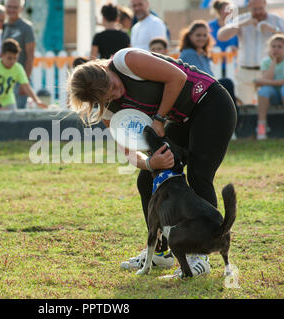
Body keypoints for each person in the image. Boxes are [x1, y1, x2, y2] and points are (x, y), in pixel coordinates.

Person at [67, 48, 237, 276]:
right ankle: (159, 252)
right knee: (146, 182)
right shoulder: (108, 110)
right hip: (183, 118)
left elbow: (178, 77)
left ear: (103, 69)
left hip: (210, 103)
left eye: (113, 87)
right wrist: (150, 164)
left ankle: (201, 257)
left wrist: (159, 118)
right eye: (107, 97)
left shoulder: (126, 60)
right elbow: (128, 152)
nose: (116, 95)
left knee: (199, 175)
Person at [217, 0, 284, 105]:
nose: (258, 12)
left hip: (268, 72)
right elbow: (221, 36)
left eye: (260, 8)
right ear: (249, 6)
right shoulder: (242, 19)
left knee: (268, 106)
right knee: (244, 106)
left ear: (265, 5)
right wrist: (244, 24)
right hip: (246, 72)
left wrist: (274, 30)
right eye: (254, 9)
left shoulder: (276, 20)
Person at [179, 20, 238, 137]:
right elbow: (202, 77)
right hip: (196, 92)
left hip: (206, 89)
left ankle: (230, 125)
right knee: (227, 84)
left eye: (205, 35)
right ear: (190, 36)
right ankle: (231, 125)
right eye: (198, 35)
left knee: (226, 85)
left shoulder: (202, 54)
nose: (202, 38)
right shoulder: (188, 53)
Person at [0, 39, 47, 110]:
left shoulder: (18, 68)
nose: (12, 61)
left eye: (15, 58)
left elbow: (26, 86)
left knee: (14, 119)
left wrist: (37, 101)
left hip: (7, 100)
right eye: (9, 58)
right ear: (2, 55)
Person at [254, 34, 284, 140]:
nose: (276, 49)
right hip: (273, 95)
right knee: (264, 91)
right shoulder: (266, 62)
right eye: (273, 46)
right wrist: (273, 62)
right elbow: (267, 80)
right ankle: (261, 126)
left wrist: (263, 81)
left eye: (279, 46)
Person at [2, 0, 35, 109]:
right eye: (9, 6)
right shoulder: (3, 25)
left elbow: (30, 56)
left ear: (21, 9)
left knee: (17, 114)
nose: (11, 10)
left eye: (15, 7)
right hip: (3, 79)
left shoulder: (26, 27)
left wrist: (24, 81)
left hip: (18, 79)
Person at [208, 0, 238, 78]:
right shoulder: (210, 26)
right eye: (226, 9)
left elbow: (240, 44)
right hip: (213, 65)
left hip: (231, 66)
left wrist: (237, 49)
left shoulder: (234, 26)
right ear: (219, 11)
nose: (229, 12)